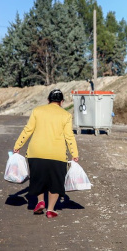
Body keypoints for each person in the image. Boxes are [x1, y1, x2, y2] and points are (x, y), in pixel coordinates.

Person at [13, 89, 79, 219]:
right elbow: (69, 136)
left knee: (38, 179)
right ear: (62, 102)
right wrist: (74, 153)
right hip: (57, 154)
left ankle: (40, 202)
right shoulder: (65, 115)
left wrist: (18, 146)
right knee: (55, 182)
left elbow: (28, 130)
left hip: (36, 152)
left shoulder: (37, 111)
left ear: (48, 100)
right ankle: (50, 210)